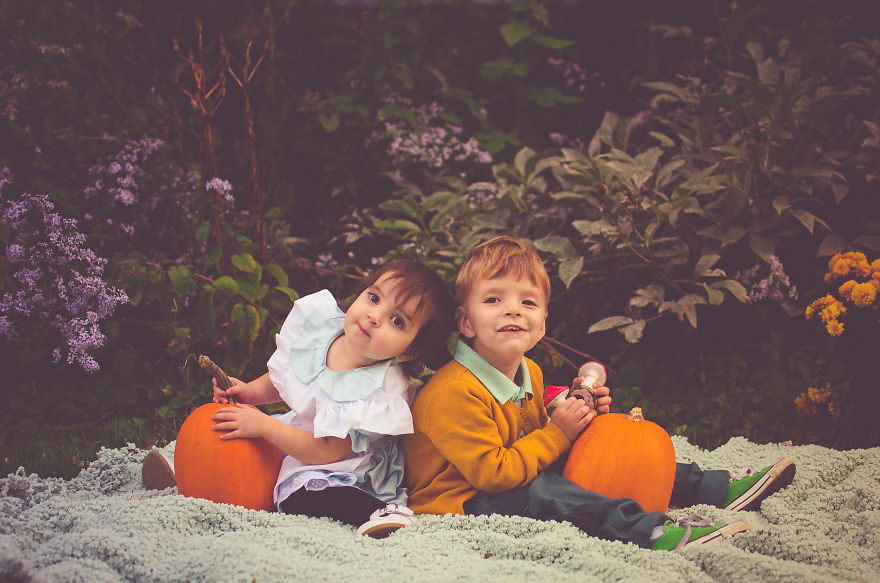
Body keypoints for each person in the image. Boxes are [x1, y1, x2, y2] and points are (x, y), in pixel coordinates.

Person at [402, 236, 796, 551]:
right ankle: (649, 531)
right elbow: (495, 474)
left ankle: (714, 487)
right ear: (465, 321)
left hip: (508, 471)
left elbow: (534, 433)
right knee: (546, 493)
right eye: (493, 299)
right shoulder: (453, 392)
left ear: (541, 326)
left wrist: (577, 415)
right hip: (462, 499)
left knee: (606, 443)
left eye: (527, 301)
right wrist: (559, 432)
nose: (512, 310)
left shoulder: (529, 371)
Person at [143, 259, 455, 538]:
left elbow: (328, 451)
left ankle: (377, 512)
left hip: (345, 467)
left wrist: (265, 426)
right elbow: (288, 379)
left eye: (397, 321)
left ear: (408, 351)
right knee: (241, 436)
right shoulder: (323, 333)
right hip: (300, 434)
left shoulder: (379, 390)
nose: (374, 316)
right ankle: (193, 474)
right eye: (374, 297)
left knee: (302, 493)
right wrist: (249, 391)